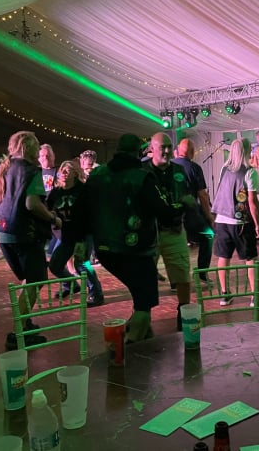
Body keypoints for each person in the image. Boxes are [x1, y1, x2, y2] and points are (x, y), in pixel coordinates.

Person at [82, 133, 182, 342]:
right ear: (139, 152)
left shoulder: (97, 174)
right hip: (136, 251)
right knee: (144, 304)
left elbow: (81, 210)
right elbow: (164, 212)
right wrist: (184, 205)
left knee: (140, 293)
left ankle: (143, 337)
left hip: (105, 250)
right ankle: (129, 347)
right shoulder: (142, 177)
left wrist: (76, 240)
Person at [0, 131, 62, 349]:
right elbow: (32, 204)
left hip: (2, 233)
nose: (39, 150)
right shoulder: (30, 171)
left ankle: (25, 322)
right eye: (37, 146)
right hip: (24, 234)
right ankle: (17, 334)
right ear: (27, 147)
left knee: (28, 280)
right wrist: (53, 218)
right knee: (35, 281)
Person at [144, 132, 195, 330]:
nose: (166, 150)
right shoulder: (143, 171)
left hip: (174, 230)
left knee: (182, 275)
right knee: (146, 278)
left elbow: (186, 198)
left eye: (168, 146)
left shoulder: (178, 170)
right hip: (149, 234)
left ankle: (183, 315)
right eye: (161, 147)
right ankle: (144, 318)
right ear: (152, 149)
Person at [211, 138, 259, 308]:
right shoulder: (250, 172)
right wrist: (257, 224)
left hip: (221, 219)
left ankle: (224, 294)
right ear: (246, 151)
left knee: (223, 257)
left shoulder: (224, 169)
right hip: (240, 221)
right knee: (250, 258)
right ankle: (255, 295)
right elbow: (252, 202)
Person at [46, 160, 104, 306]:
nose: (64, 172)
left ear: (75, 174)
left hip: (82, 235)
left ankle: (96, 293)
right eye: (62, 169)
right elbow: (47, 210)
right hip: (66, 236)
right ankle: (71, 285)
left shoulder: (83, 190)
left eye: (68, 170)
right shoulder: (56, 192)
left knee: (82, 264)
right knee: (55, 265)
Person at [172, 138, 215, 284]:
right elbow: (202, 195)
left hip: (171, 215)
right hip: (190, 214)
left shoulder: (168, 166)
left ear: (178, 151)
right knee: (208, 236)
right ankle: (202, 274)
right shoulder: (194, 168)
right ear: (191, 152)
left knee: (175, 246)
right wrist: (208, 216)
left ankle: (175, 281)